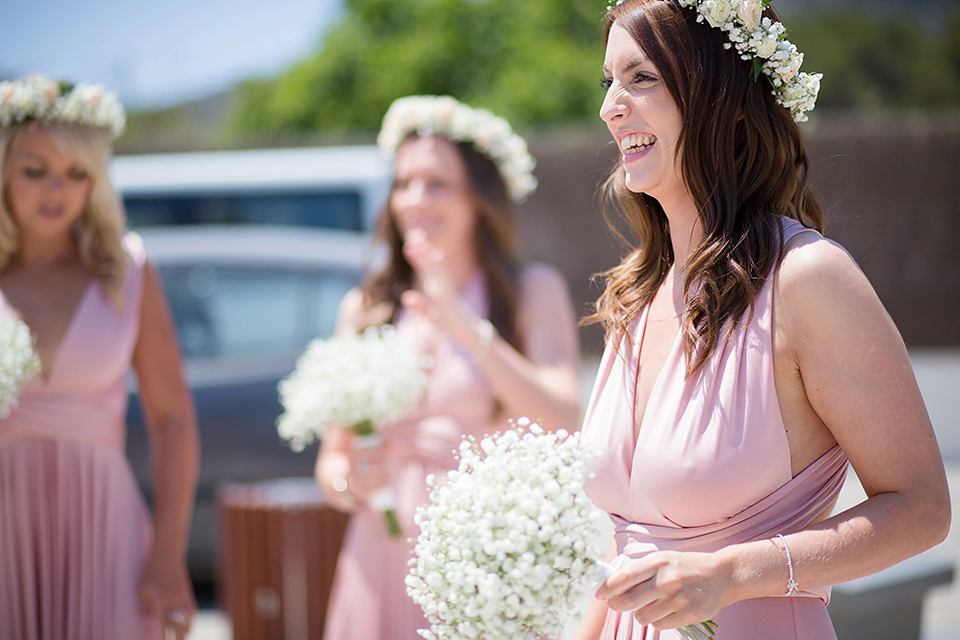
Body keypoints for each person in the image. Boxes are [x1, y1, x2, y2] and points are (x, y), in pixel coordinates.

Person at [576, 2, 951, 639]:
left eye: (642, 78)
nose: (612, 105)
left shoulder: (807, 280)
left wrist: (732, 574)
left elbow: (921, 510)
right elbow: (627, 554)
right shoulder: (635, 295)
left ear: (721, 95)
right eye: (608, 81)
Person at [314, 95, 581, 639]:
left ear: (479, 198)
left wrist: (464, 327)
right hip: (378, 555)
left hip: (484, 560)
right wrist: (350, 483)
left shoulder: (533, 291)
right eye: (403, 183)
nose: (414, 200)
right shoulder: (364, 307)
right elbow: (331, 463)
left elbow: (563, 418)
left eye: (436, 183)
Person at [0, 75, 199, 639]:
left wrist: (167, 555)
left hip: (104, 528)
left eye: (77, 173)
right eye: (35, 170)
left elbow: (173, 419)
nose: (55, 191)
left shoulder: (127, 272)